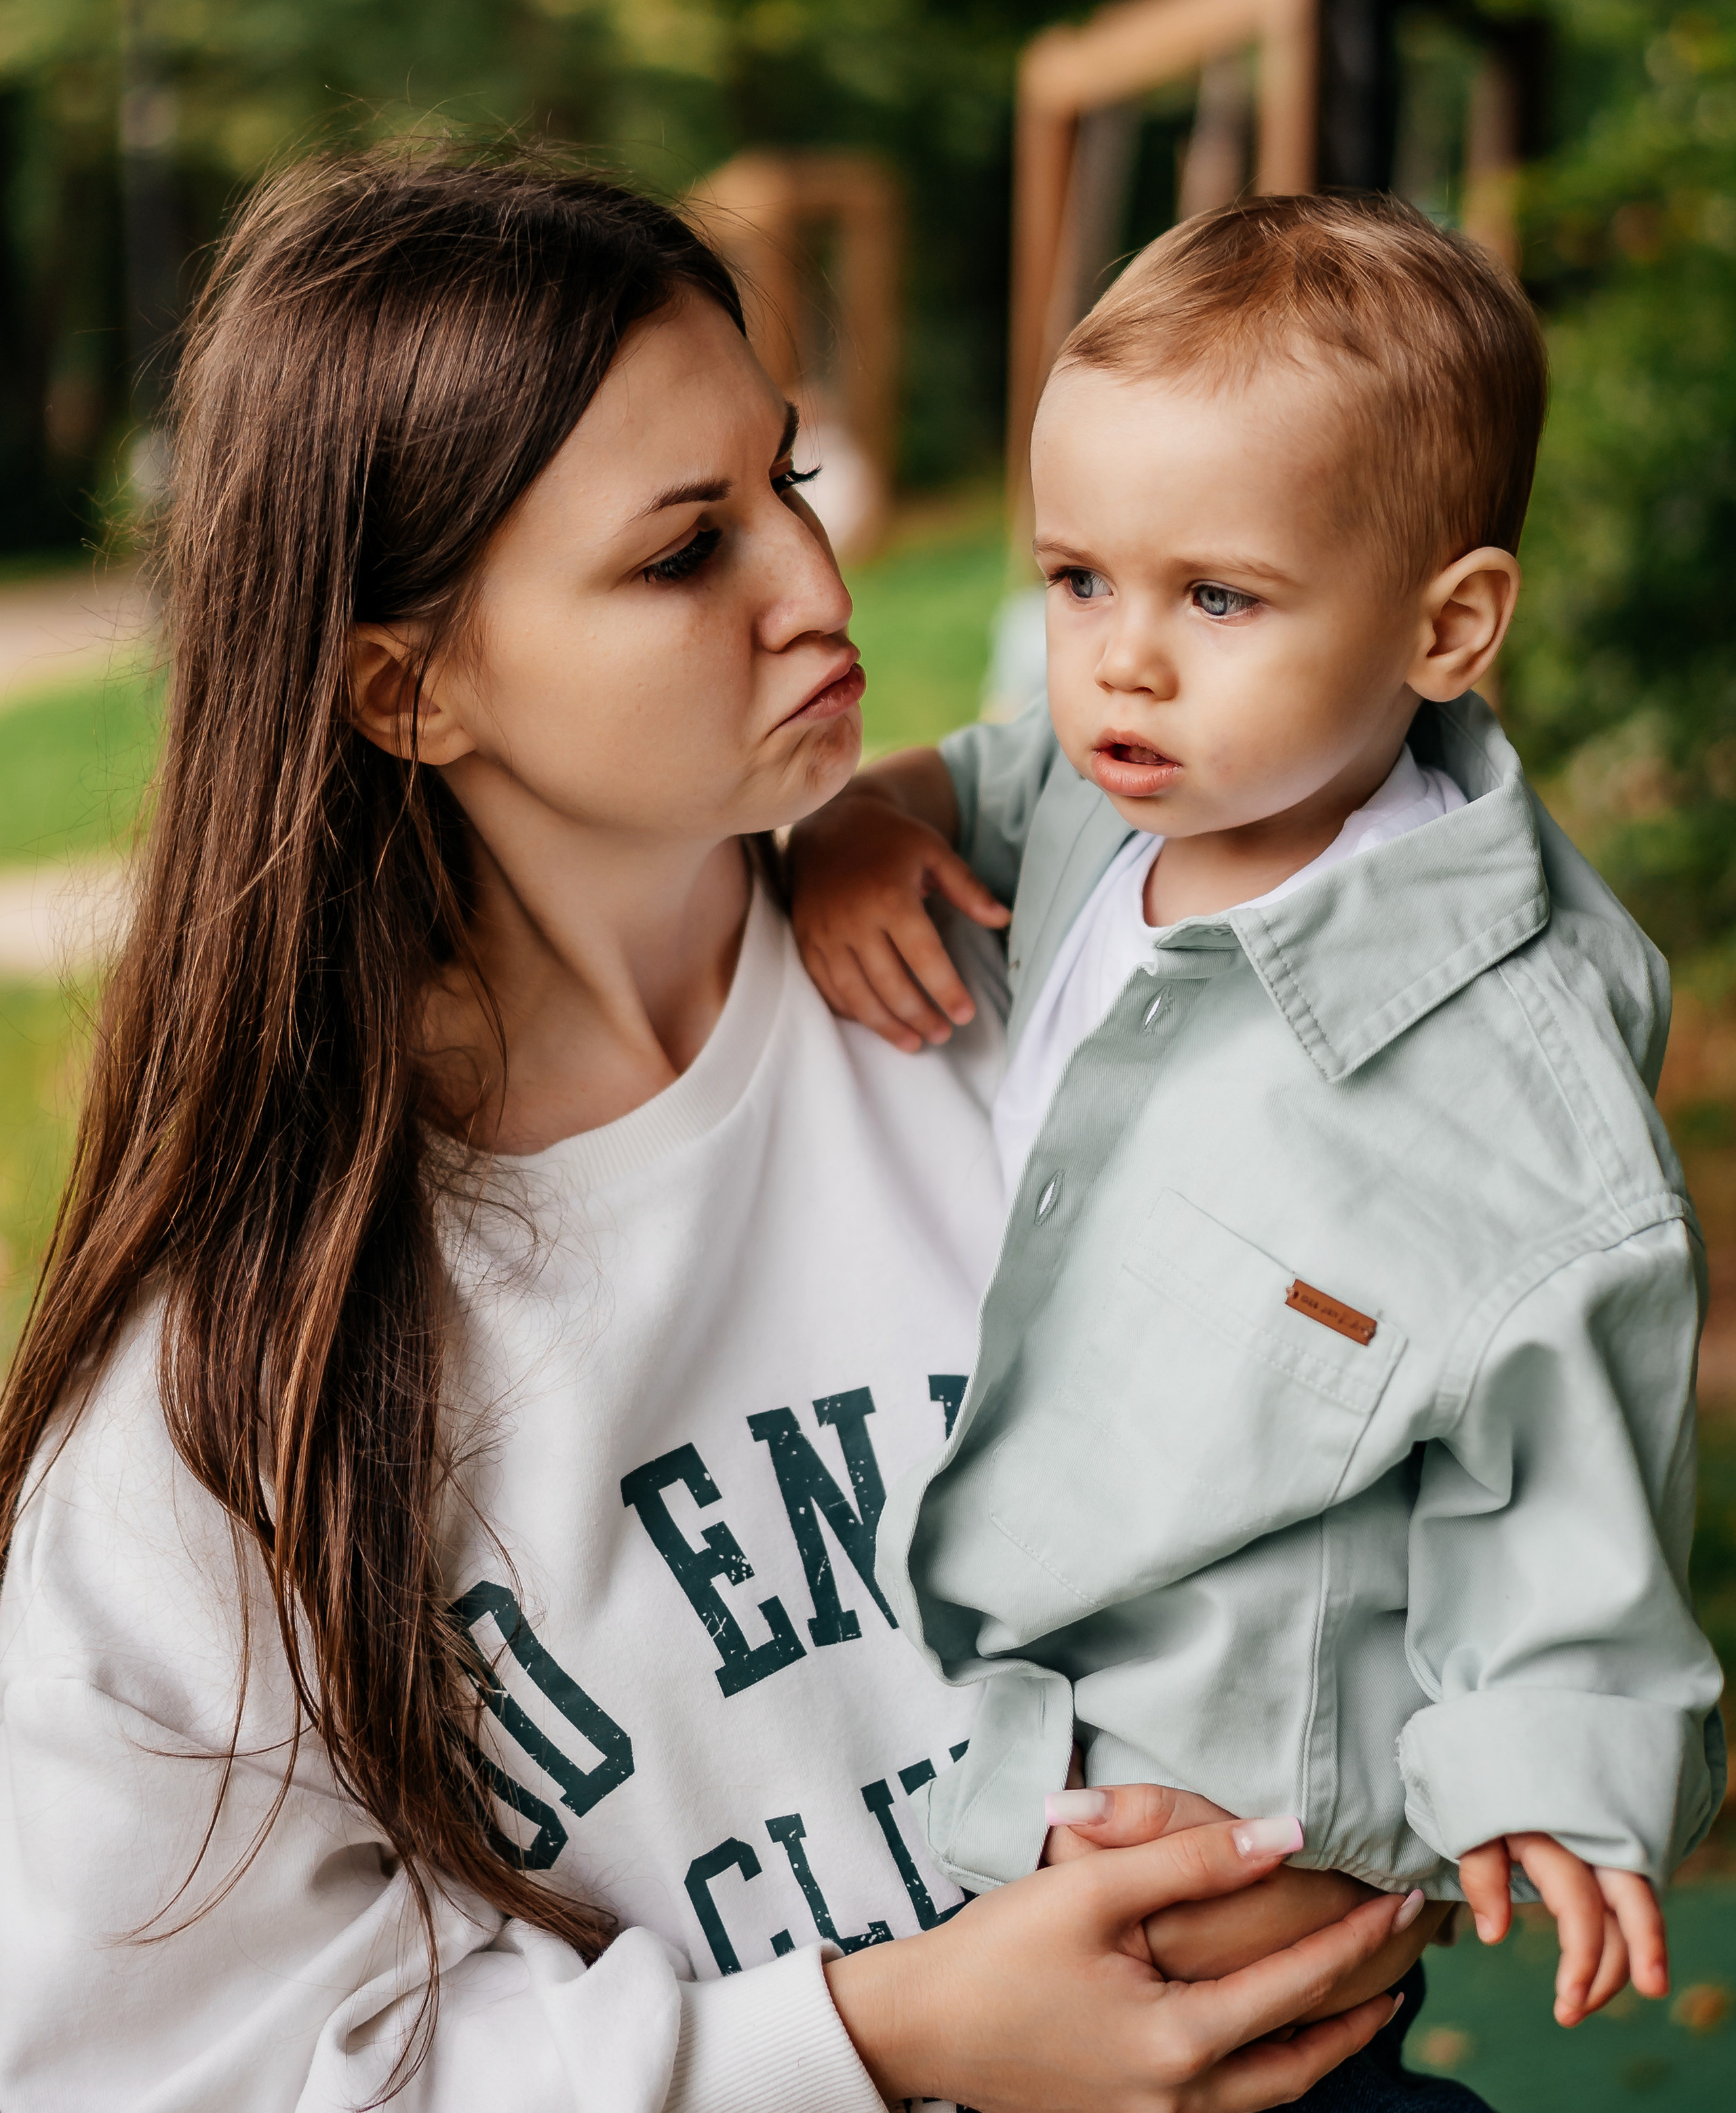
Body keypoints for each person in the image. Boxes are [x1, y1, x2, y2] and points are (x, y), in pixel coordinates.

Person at [0, 155, 1429, 2113]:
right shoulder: (224, 1403)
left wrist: (1357, 1804)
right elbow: (176, 2071)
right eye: (686, 552)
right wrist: (885, 2036)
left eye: (792, 484)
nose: (815, 591)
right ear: (406, 689)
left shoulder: (1042, 992)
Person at [789, 194, 1727, 2068]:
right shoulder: (1089, 789)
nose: (1124, 661)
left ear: (1447, 627)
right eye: (1079, 581)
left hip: (1241, 1817)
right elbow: (973, 778)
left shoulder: (1510, 1082)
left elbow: (1563, 1466)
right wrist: (858, 823)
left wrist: (1552, 1759)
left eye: (1218, 597)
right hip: (1001, 1775)